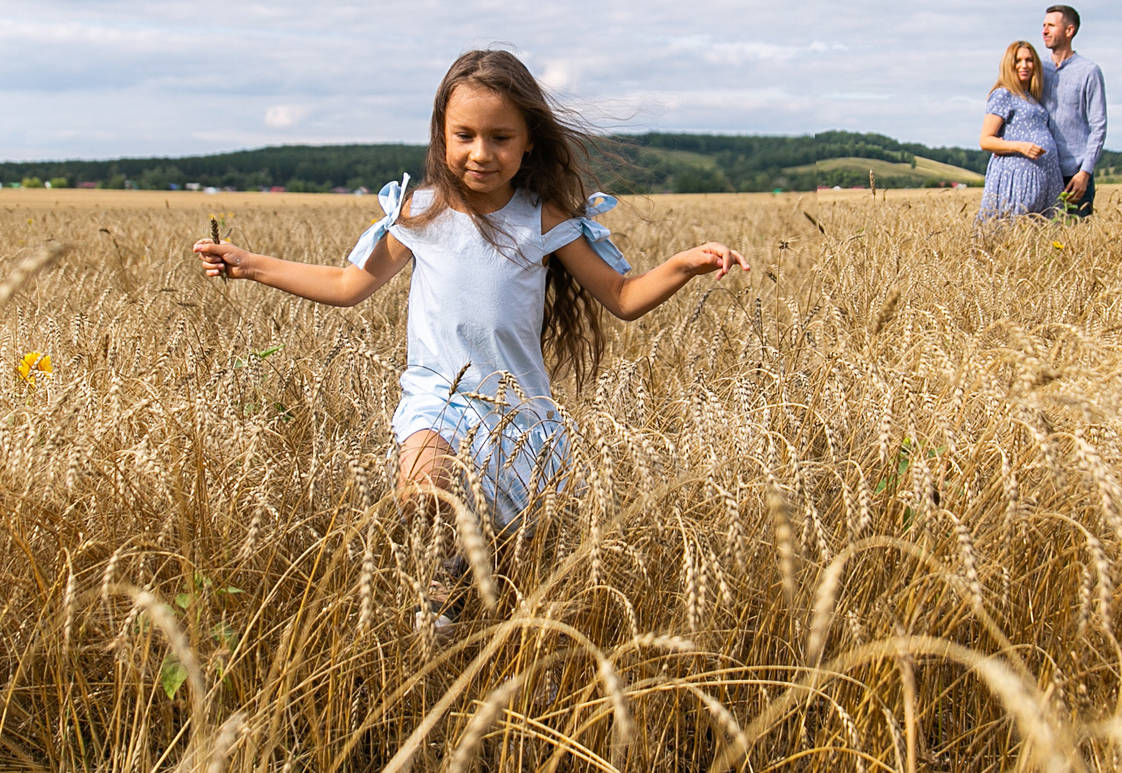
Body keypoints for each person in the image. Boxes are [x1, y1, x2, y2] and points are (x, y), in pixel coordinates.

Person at [190, 49, 749, 596]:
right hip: (438, 399)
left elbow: (622, 297)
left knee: (519, 578)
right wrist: (252, 265)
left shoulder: (543, 218)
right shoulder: (418, 211)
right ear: (442, 134)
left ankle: (495, 637)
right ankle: (436, 607)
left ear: (529, 140)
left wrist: (683, 265)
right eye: (465, 136)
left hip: (519, 416)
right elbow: (347, 285)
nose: (481, 153)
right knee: (423, 491)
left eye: (500, 137)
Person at [977, 40, 1059, 221]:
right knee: (1012, 229)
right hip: (1017, 179)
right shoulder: (1003, 94)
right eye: (1018, 60)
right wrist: (1021, 147)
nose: (1024, 65)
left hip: (1042, 178)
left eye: (1029, 60)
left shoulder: (1030, 97)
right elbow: (986, 140)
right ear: (1009, 64)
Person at [1039, 4, 1106, 219]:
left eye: (1051, 25)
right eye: (1043, 25)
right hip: (1041, 172)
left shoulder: (1089, 71)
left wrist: (1084, 173)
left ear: (1069, 31)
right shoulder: (1036, 70)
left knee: (1076, 244)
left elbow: (1099, 126)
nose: (1044, 31)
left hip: (1074, 176)